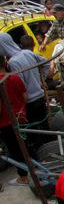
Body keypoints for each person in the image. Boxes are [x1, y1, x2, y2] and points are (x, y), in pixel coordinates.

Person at [0, 55, 29, 186]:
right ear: (5, 62)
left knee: (15, 150)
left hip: (6, 123)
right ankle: (32, 169)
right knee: (24, 145)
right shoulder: (14, 77)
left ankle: (24, 177)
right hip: (21, 117)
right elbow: (25, 97)